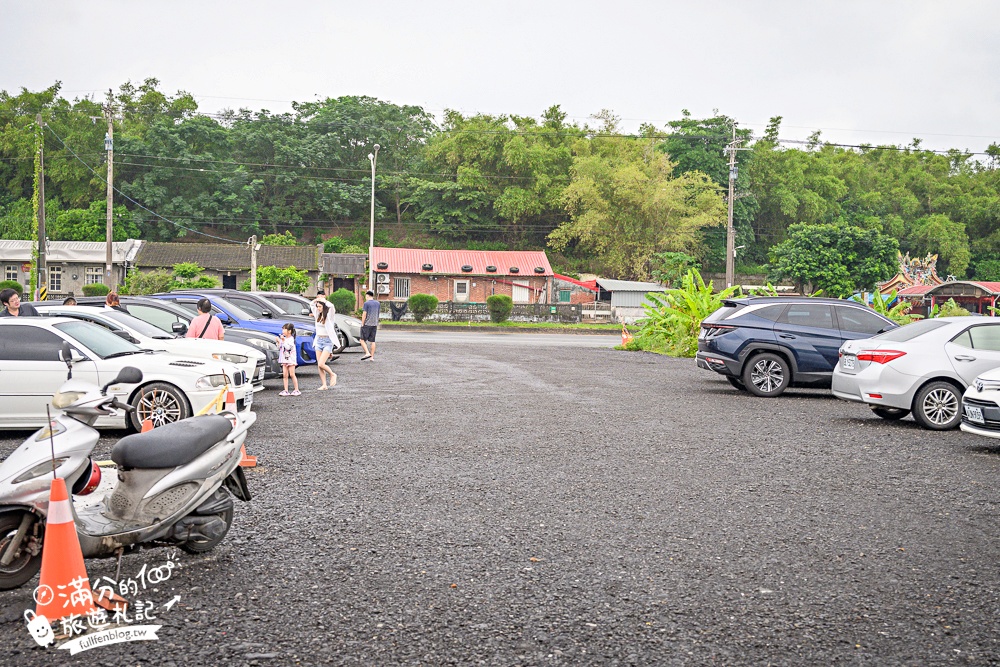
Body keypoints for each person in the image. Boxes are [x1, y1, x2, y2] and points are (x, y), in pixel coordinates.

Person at [311, 298, 339, 390]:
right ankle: (324, 385)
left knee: (321, 363)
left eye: (320, 306)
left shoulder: (329, 316)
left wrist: (323, 300)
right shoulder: (317, 315)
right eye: (317, 306)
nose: (318, 308)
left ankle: (332, 374)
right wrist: (316, 300)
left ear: (324, 307)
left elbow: (332, 306)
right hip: (319, 340)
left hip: (327, 341)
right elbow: (311, 304)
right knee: (319, 364)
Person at [276, 322, 300, 396]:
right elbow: (279, 348)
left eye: (284, 329)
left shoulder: (291, 339)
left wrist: (283, 341)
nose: (283, 331)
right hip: (284, 359)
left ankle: (296, 389)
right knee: (285, 375)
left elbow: (288, 347)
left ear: (289, 331)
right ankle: (286, 390)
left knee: (292, 374)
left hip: (291, 360)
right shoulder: (285, 339)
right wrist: (278, 342)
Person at [359, 290, 380, 361]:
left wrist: (362, 323)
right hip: (374, 324)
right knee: (372, 341)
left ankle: (367, 353)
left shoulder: (366, 303)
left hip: (367, 324)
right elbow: (378, 313)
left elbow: (364, 314)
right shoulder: (377, 303)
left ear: (367, 296)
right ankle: (372, 357)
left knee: (362, 340)